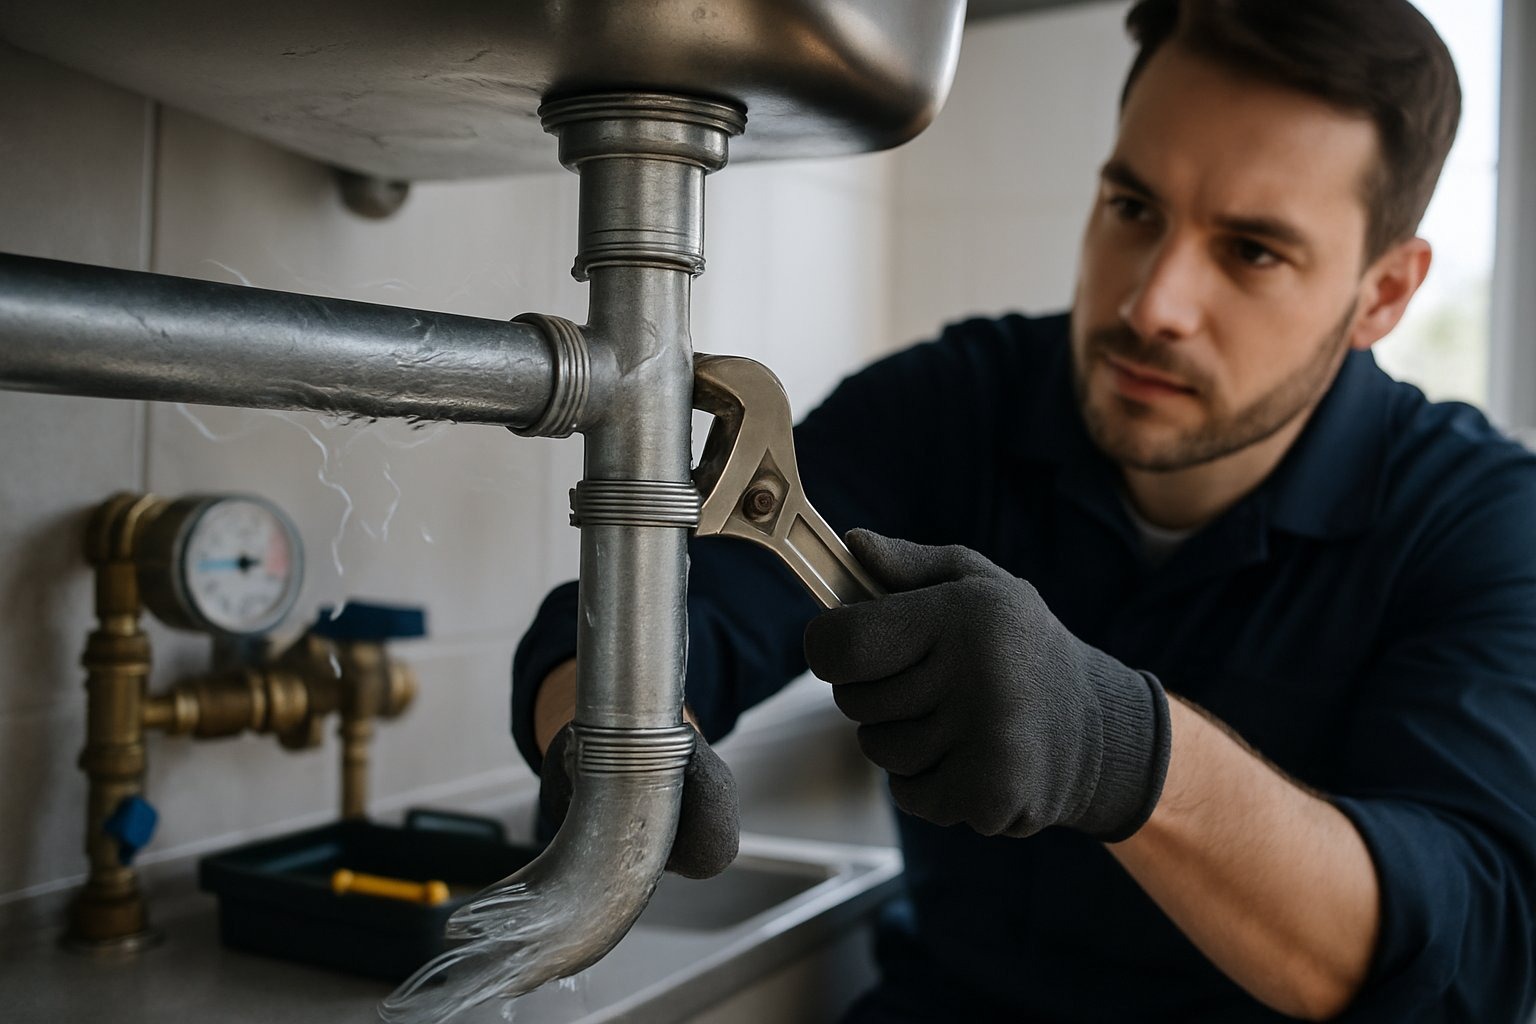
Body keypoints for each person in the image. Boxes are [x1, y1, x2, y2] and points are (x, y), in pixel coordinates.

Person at [513, 0, 1536, 1020]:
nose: (1152, 305)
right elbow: (664, 610)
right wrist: (606, 737)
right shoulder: (948, 407)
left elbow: (1469, 941)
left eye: (1252, 252)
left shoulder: (1482, 523)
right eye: (1134, 209)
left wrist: (1123, 750)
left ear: (1385, 294)